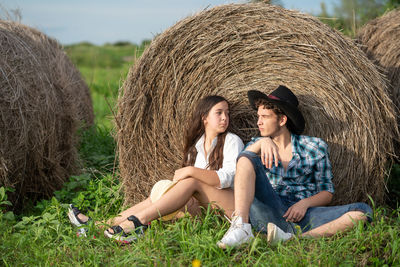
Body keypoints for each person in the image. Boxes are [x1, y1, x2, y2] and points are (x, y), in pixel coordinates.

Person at [68, 95, 244, 243]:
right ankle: (98, 225)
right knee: (158, 198)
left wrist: (191, 171)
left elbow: (228, 178)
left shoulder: (232, 141)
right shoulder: (198, 146)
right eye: (219, 113)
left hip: (230, 208)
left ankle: (138, 222)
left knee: (191, 181)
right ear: (204, 117)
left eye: (227, 113)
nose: (224, 118)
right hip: (206, 209)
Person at [217, 85, 372, 248]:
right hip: (269, 209)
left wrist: (304, 203)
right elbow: (241, 165)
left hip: (304, 214)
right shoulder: (256, 145)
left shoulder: (315, 147)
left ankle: (291, 239)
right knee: (246, 158)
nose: (258, 122)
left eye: (264, 116)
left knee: (362, 210)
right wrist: (263, 141)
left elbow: (327, 192)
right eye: (258, 116)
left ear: (282, 120)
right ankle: (241, 228)